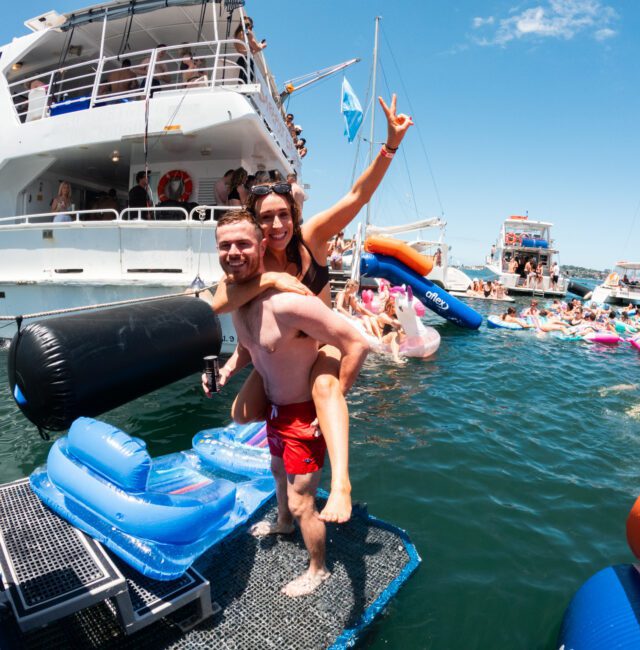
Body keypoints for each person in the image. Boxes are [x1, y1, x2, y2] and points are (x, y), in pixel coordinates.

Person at [210, 94, 412, 523]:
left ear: (295, 214)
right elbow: (221, 301)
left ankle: (340, 485)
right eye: (266, 219)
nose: (277, 225)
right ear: (256, 225)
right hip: (283, 355)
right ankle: (288, 463)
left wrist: (390, 146)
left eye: (283, 215)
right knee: (241, 413)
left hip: (324, 348)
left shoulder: (313, 238)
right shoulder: (256, 260)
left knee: (323, 390)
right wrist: (271, 280)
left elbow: (357, 196)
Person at [210, 210, 368, 597]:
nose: (234, 252)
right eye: (225, 245)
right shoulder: (238, 300)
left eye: (243, 244)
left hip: (302, 416)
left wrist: (331, 400)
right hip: (276, 412)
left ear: (262, 246)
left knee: (303, 504)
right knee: (277, 474)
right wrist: (229, 368)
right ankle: (282, 524)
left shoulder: (288, 303)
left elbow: (356, 343)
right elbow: (253, 345)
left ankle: (319, 569)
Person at [234, 17, 266, 83]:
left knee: (241, 83)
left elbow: (249, 51)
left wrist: (259, 46)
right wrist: (262, 46)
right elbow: (256, 47)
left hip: (240, 60)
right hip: (247, 61)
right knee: (246, 83)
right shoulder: (247, 32)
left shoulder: (237, 33)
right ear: (250, 25)